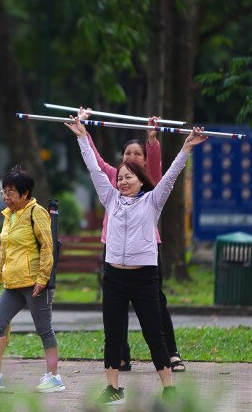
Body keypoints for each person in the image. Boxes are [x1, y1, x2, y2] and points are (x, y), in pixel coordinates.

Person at [66, 116, 206, 405]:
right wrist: (82, 135)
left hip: (144, 278)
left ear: (141, 180)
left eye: (129, 176)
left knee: (154, 333)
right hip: (114, 278)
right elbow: (93, 167)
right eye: (120, 177)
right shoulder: (110, 199)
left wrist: (187, 148)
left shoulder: (153, 201)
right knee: (112, 334)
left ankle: (168, 389)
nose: (123, 181)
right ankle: (113, 388)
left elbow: (171, 176)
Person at [79, 108, 185, 373]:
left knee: (154, 306)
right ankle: (120, 358)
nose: (131, 158)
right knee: (115, 311)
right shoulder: (114, 182)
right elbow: (94, 164)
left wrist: (153, 140)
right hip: (114, 253)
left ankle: (170, 354)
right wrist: (82, 131)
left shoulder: (150, 189)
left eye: (138, 154)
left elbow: (163, 172)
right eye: (128, 154)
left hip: (146, 255)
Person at [0, 166, 65, 394]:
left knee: (44, 329)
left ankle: (54, 378)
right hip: (13, 283)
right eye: (4, 192)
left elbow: (47, 247)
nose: (6, 197)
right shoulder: (8, 216)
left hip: (34, 284)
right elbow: (5, 251)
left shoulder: (36, 213)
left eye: (11, 192)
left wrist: (42, 279)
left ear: (25, 194)